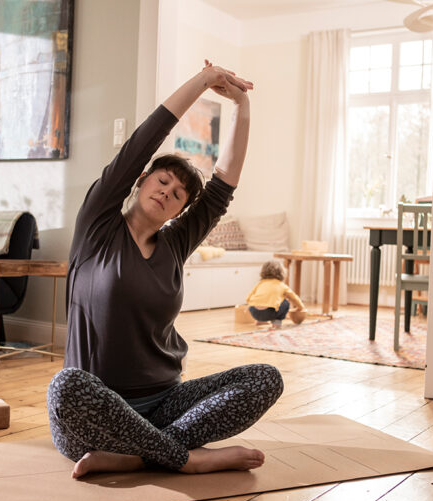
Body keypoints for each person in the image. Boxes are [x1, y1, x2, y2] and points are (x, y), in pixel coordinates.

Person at [46, 60, 284, 478]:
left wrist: (242, 104)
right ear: (140, 181)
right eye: (162, 181)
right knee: (66, 387)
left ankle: (138, 455)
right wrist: (203, 81)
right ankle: (184, 458)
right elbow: (143, 141)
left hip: (163, 403)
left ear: (182, 210)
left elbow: (224, 184)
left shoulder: (175, 244)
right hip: (95, 412)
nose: (167, 192)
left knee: (265, 378)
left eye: (178, 194)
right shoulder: (98, 224)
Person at [246, 260, 305, 328]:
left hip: (254, 312)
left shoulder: (260, 283)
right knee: (286, 302)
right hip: (269, 313)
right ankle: (277, 322)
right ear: (282, 273)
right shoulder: (281, 285)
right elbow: (294, 298)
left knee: (260, 305)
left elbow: (248, 298)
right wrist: (301, 308)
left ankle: (260, 320)